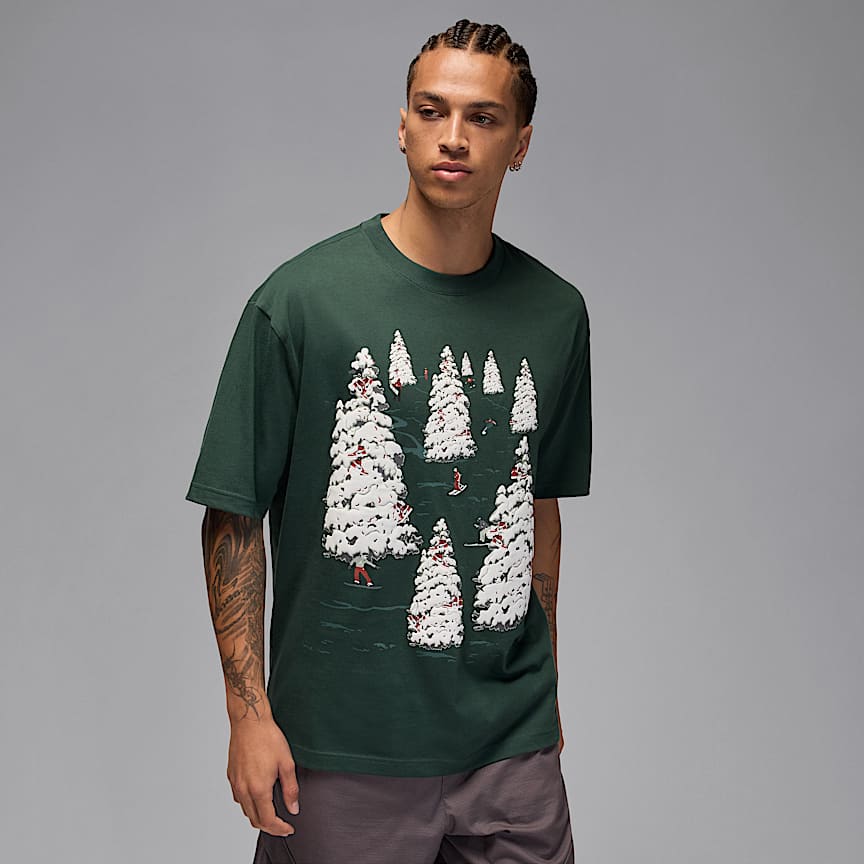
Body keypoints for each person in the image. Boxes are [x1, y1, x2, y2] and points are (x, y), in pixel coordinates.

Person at [186, 18, 591, 864]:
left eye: (483, 117)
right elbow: (233, 517)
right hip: (341, 752)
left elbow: (536, 503)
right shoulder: (301, 301)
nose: (453, 137)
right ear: (402, 127)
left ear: (520, 144)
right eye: (432, 110)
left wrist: (545, 690)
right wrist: (247, 716)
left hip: (510, 751)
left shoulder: (556, 314)